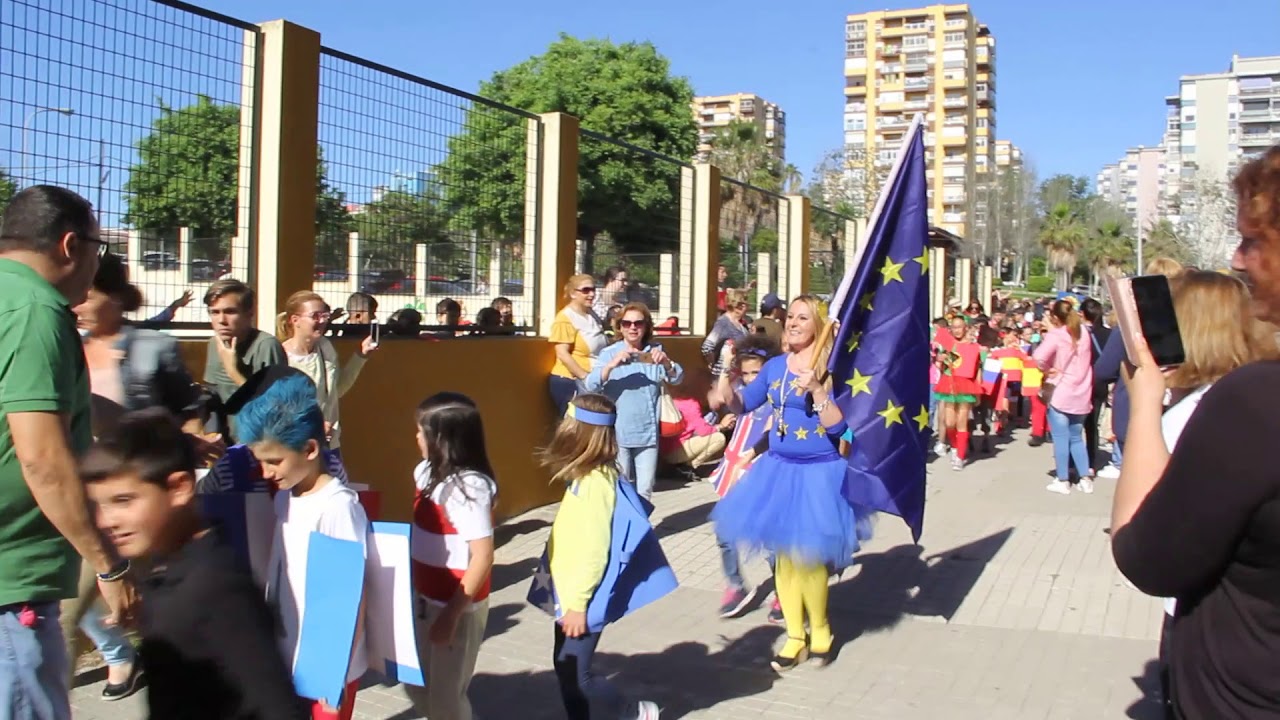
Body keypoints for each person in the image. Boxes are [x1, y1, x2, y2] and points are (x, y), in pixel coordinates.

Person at [1111, 146, 1280, 718]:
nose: (1237, 258)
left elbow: (1145, 555)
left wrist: (1145, 403)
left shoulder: (1256, 405)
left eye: (1253, 241)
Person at [0, 185, 136, 720]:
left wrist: (156, 432)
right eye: (98, 249)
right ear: (69, 245)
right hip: (14, 585)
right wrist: (107, 565)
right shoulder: (37, 311)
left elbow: (57, 403)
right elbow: (41, 458)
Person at [82, 409, 307, 719]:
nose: (107, 521)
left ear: (179, 488)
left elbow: (276, 706)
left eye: (124, 500)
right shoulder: (165, 571)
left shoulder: (216, 587)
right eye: (99, 505)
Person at [68, 252, 216, 699]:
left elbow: (187, 410)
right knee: (68, 612)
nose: (79, 304)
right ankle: (117, 656)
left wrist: (195, 444)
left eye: (89, 294)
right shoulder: (67, 346)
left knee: (161, 609)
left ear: (113, 296)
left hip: (143, 502)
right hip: (85, 501)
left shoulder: (155, 346)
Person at [711, 295, 873, 672]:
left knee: (808, 558)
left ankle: (821, 630)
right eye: (791, 318)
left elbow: (841, 427)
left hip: (820, 471)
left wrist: (817, 390)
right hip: (779, 469)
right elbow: (741, 405)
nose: (794, 323)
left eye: (803, 318)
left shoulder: (835, 367)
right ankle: (795, 635)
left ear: (818, 324)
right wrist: (726, 379)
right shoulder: (775, 367)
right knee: (784, 559)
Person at [237, 374, 370, 720]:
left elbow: (351, 596)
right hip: (288, 654)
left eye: (274, 461)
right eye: (260, 462)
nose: (265, 472)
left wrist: (333, 675)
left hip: (326, 667)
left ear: (310, 449)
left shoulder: (337, 507)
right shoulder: (285, 496)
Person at [538, 393, 668, 720]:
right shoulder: (587, 476)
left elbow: (594, 551)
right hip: (567, 595)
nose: (561, 426)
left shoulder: (595, 484)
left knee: (577, 676)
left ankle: (634, 711)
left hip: (579, 600)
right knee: (566, 669)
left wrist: (578, 605)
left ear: (582, 435)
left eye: (568, 422)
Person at [406, 392, 497, 720]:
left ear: (442, 439)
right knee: (416, 684)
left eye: (421, 431)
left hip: (457, 607)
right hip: (425, 599)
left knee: (446, 698)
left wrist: (451, 615)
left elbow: (483, 557)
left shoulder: (469, 489)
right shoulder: (425, 472)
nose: (416, 436)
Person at [1093, 258, 1186, 479]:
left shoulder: (1131, 324)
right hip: (1183, 411)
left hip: (1136, 412)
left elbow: (1104, 370)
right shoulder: (1192, 321)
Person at [712, 335, 783, 622]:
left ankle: (783, 591)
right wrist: (726, 367)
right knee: (724, 532)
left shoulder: (775, 396)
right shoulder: (740, 391)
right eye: (747, 372)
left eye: (758, 372)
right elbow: (722, 397)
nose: (752, 378)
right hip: (733, 467)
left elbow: (771, 430)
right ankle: (735, 585)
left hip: (761, 469)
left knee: (769, 540)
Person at [584, 302, 684, 501]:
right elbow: (590, 385)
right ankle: (622, 529)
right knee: (622, 487)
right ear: (619, 327)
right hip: (618, 434)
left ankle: (640, 530)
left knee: (645, 489)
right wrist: (612, 365)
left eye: (638, 323)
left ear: (646, 326)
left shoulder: (654, 351)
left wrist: (666, 362)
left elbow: (678, 377)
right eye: (627, 323)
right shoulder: (609, 353)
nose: (632, 327)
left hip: (648, 433)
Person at [276, 290, 376, 455]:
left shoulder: (324, 347)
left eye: (325, 315)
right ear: (295, 320)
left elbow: (337, 390)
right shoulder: (281, 356)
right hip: (296, 448)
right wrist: (313, 426)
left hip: (330, 444)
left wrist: (361, 356)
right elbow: (278, 409)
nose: (322, 321)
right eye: (315, 316)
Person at [203, 278, 287, 439]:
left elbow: (274, 407)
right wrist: (211, 435)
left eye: (230, 312)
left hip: (261, 442)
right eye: (214, 312)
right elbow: (212, 396)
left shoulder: (266, 346)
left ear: (249, 314)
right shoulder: (215, 344)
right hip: (228, 443)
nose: (221, 320)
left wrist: (233, 371)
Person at [1034, 299, 1094, 495]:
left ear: (1055, 317)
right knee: (1077, 437)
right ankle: (1085, 478)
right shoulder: (1085, 332)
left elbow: (1038, 357)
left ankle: (1063, 479)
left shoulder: (1057, 335)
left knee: (1061, 438)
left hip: (1062, 390)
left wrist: (1048, 369)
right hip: (1083, 391)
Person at [548, 274, 608, 418]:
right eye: (585, 290)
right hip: (570, 381)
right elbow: (562, 353)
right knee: (575, 427)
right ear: (573, 293)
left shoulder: (592, 315)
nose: (591, 294)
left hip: (592, 380)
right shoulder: (565, 318)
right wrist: (584, 377)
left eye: (593, 289)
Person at [659, 366, 732, 473]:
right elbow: (704, 431)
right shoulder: (691, 404)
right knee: (718, 438)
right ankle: (689, 467)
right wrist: (721, 426)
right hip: (673, 452)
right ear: (708, 387)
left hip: (665, 451)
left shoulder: (679, 400)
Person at [933, 315, 982, 470]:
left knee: (962, 421)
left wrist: (979, 392)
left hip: (966, 385)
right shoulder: (948, 345)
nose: (957, 330)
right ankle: (954, 446)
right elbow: (941, 366)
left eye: (960, 326)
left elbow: (977, 369)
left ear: (965, 328)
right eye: (954, 327)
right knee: (949, 423)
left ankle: (959, 457)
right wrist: (940, 359)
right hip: (949, 383)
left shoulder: (974, 347)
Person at [701, 288, 749, 375]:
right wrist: (714, 364)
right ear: (740, 306)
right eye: (746, 304)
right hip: (723, 375)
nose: (748, 307)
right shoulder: (723, 323)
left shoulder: (741, 325)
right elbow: (707, 347)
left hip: (736, 375)